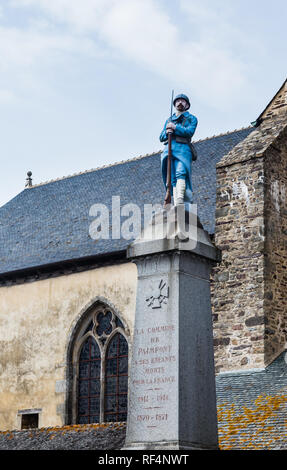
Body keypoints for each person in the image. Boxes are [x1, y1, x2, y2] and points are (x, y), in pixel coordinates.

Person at [159, 94, 198, 206]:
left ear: (187, 105)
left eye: (183, 101)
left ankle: (180, 199)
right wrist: (167, 131)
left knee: (181, 172)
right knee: (171, 178)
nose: (180, 103)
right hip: (169, 149)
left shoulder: (192, 118)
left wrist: (175, 128)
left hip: (183, 149)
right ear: (175, 104)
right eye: (178, 101)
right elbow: (161, 137)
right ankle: (176, 203)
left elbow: (189, 132)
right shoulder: (169, 120)